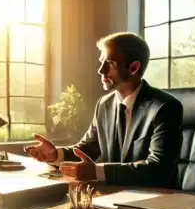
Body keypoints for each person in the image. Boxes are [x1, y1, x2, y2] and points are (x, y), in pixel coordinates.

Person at [26, 32, 182, 187]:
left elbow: (160, 170)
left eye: (110, 63)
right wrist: (56, 154)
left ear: (133, 68)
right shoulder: (104, 104)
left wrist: (98, 172)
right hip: (112, 198)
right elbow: (88, 148)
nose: (100, 70)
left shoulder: (165, 107)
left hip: (155, 203)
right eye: (101, 62)